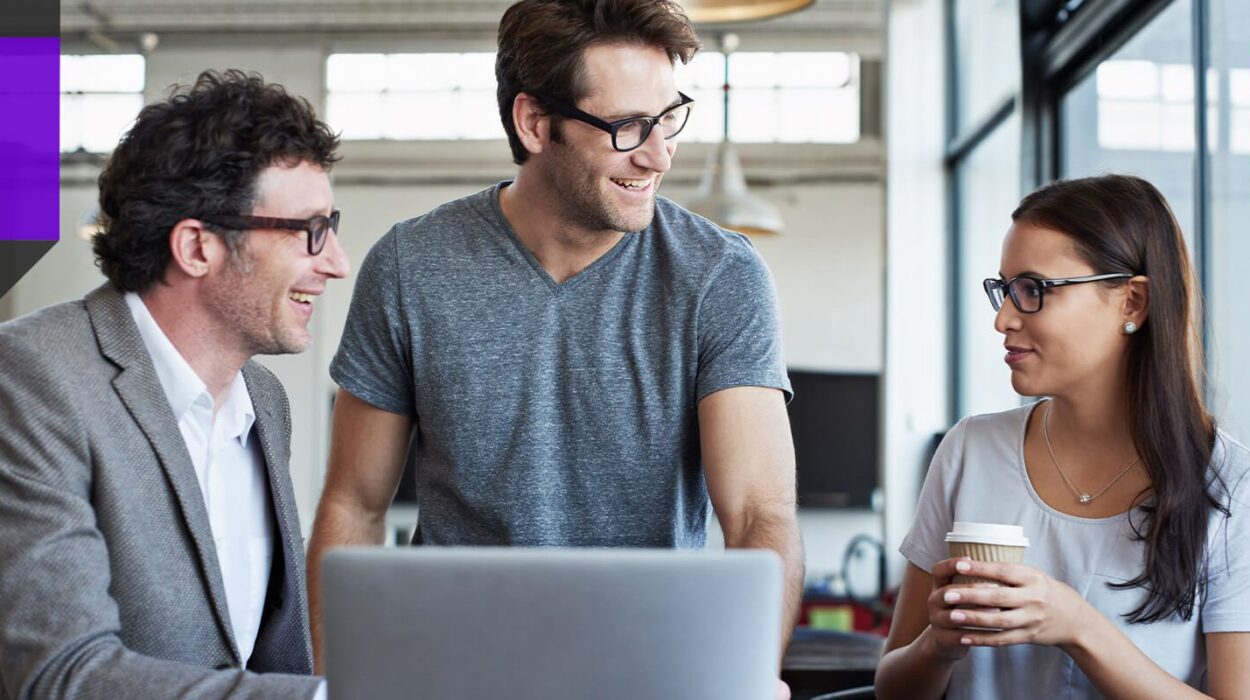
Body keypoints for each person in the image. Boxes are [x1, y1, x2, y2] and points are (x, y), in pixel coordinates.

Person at [307, 0, 803, 685]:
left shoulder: (719, 276)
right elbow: (354, 505)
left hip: (652, 672)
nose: (658, 155)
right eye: (629, 127)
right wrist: (336, 686)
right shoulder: (409, 266)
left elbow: (757, 517)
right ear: (535, 123)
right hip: (450, 674)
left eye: (668, 118)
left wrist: (747, 678)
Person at [0, 69, 350, 699]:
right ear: (197, 247)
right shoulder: (32, 378)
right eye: (310, 231)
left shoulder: (263, 403)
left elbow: (265, 652)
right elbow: (59, 674)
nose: (336, 262)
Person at [875, 174, 1250, 699]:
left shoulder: (1232, 484)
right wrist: (937, 644)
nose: (1004, 318)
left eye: (1034, 290)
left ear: (1132, 303)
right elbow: (892, 688)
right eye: (1004, 290)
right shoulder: (969, 451)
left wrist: (1079, 626)